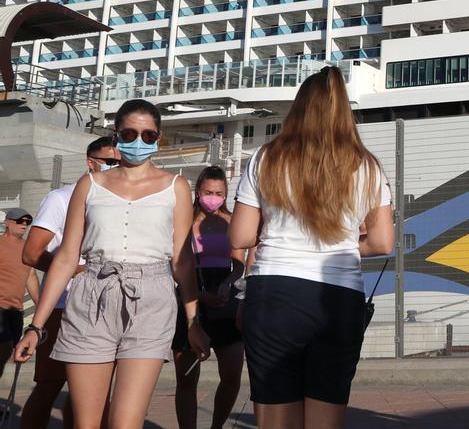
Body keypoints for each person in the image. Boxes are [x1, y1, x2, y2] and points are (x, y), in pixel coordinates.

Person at [12, 99, 211, 429]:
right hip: (92, 293)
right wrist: (36, 326)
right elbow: (64, 258)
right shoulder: (90, 185)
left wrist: (193, 321)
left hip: (152, 299)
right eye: (130, 133)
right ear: (117, 136)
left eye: (149, 136)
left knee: (125, 423)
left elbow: (183, 260)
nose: (139, 141)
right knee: (86, 423)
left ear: (158, 138)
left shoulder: (175, 186)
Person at [230, 67, 394, 429]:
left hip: (275, 292)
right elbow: (382, 242)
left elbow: (240, 237)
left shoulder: (266, 157)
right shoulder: (367, 167)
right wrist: (346, 243)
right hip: (339, 297)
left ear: (299, 107)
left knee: (275, 413)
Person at [20, 136, 121, 429]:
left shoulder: (115, 201)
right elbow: (30, 253)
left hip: (104, 307)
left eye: (121, 162)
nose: (117, 168)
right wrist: (72, 270)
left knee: (92, 394)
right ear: (91, 163)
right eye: (111, 162)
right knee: (50, 384)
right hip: (64, 305)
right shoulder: (61, 198)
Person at [171, 166, 246, 429]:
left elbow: (239, 264)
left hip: (225, 296)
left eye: (219, 193)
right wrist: (198, 294)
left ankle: (217, 426)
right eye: (208, 192)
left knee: (232, 374)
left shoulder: (232, 220)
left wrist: (228, 284)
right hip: (189, 295)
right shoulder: (183, 219)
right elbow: (175, 264)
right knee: (186, 378)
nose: (213, 197)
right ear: (197, 191)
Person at [0, 208, 39, 378]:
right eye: (19, 221)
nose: (24, 225)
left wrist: (42, 306)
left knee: (7, 354)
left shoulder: (28, 248)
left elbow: (30, 276)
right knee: (5, 346)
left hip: (16, 310)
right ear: (6, 223)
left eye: (27, 222)